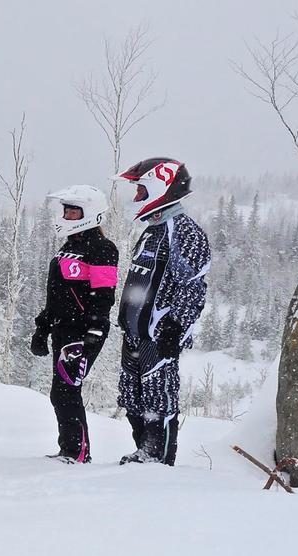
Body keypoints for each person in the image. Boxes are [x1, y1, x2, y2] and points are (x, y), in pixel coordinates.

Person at [113, 157, 211, 466]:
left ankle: (158, 459)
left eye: (141, 190)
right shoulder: (152, 230)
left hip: (160, 335)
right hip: (134, 332)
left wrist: (175, 326)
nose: (137, 198)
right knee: (132, 398)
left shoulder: (183, 231)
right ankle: (143, 450)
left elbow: (193, 286)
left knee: (159, 398)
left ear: (161, 187)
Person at [30, 185, 119, 464]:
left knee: (66, 389)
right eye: (65, 210)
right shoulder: (68, 247)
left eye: (72, 211)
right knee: (61, 391)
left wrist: (94, 327)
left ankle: (76, 452)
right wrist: (42, 328)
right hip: (62, 328)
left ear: (89, 213)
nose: (66, 216)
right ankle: (69, 449)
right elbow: (55, 294)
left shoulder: (102, 248)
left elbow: (104, 293)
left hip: (83, 331)